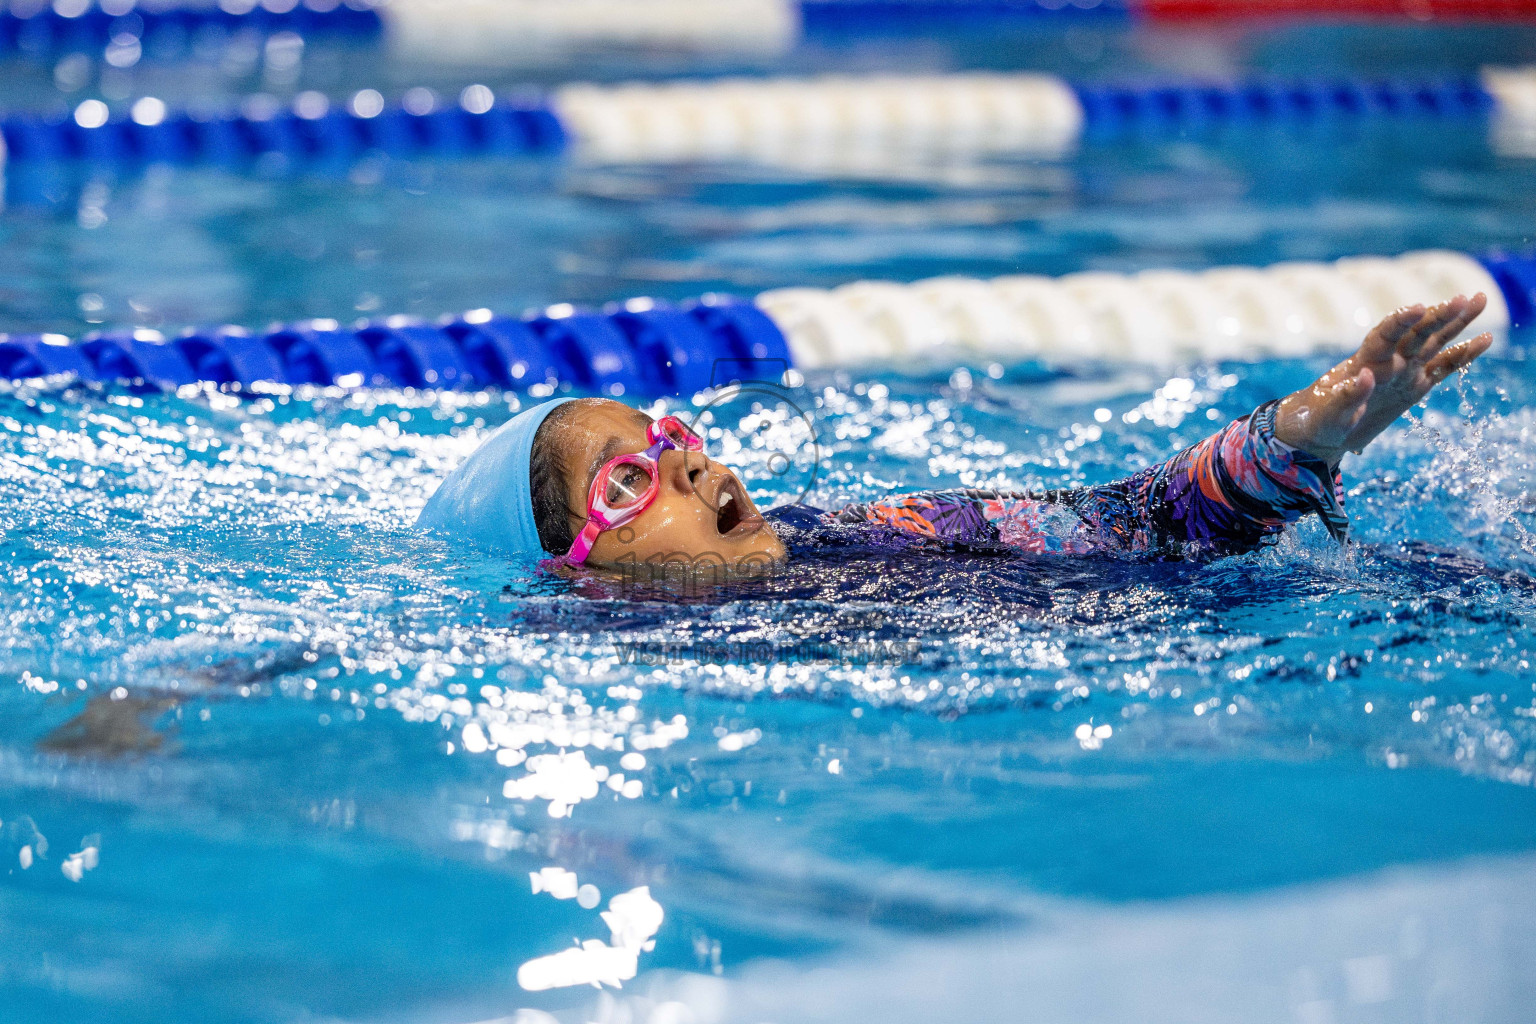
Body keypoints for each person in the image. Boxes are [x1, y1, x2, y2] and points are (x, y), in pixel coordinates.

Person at [417, 294, 1494, 577]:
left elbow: (1120, 521)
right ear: (581, 578)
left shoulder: (856, 536)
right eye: (627, 483)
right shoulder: (627, 656)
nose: (687, 460)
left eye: (667, 437)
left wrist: (1298, 438)